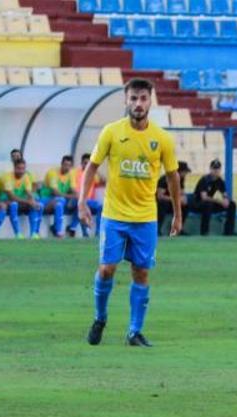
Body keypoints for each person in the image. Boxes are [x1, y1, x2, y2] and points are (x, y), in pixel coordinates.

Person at [78, 78, 182, 347]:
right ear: (126, 100)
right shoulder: (111, 132)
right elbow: (91, 168)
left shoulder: (161, 139)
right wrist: (81, 202)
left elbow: (172, 177)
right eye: (133, 98)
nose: (138, 104)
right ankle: (100, 318)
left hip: (145, 218)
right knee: (106, 269)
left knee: (142, 273)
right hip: (114, 215)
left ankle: (134, 331)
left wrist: (178, 214)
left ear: (150, 101)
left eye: (143, 98)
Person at [190, 159, 237, 236]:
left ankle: (229, 231)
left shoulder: (220, 181)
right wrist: (219, 201)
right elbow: (204, 197)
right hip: (198, 204)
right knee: (207, 204)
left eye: (218, 169)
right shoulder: (205, 180)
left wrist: (226, 200)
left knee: (232, 204)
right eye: (214, 168)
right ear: (210, 169)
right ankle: (204, 232)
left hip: (210, 204)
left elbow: (224, 194)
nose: (216, 171)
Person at [0, 159, 43, 239]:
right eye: (19, 168)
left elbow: (29, 193)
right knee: (14, 204)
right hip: (6, 200)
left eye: (23, 169)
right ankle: (18, 234)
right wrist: (28, 202)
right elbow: (11, 196)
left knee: (37, 205)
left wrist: (32, 201)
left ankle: (33, 233)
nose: (21, 171)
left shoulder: (26, 177)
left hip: (20, 201)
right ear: (14, 168)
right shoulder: (7, 177)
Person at [40, 155, 76, 238]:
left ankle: (71, 227)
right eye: (65, 165)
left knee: (77, 202)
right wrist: (71, 196)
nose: (67, 167)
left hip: (60, 200)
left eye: (69, 166)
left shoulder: (71, 174)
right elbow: (55, 192)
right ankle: (58, 230)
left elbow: (73, 189)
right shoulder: (52, 173)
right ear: (61, 164)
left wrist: (79, 197)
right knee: (60, 201)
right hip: (46, 199)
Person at [70, 152, 103, 237]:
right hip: (78, 199)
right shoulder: (75, 172)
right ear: (81, 163)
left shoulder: (93, 175)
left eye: (89, 163)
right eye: (85, 163)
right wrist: (81, 199)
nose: (87, 165)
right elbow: (72, 188)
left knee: (101, 207)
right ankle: (84, 233)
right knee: (81, 206)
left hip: (89, 201)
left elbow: (104, 181)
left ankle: (98, 233)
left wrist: (95, 169)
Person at [157, 161, 190, 235]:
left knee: (185, 206)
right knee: (163, 205)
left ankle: (178, 228)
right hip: (162, 202)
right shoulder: (165, 179)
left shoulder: (181, 179)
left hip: (172, 202)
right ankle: (158, 229)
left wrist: (184, 198)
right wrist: (176, 200)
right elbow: (160, 196)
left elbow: (182, 192)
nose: (186, 174)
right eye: (185, 172)